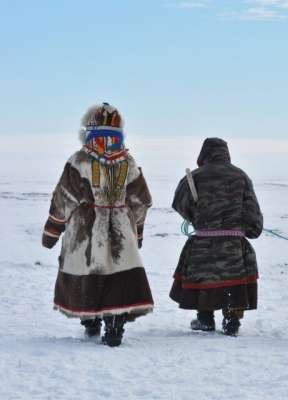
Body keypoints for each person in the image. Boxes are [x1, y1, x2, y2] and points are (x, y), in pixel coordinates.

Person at [42, 103, 154, 347]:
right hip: (121, 231)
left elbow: (63, 199)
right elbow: (141, 202)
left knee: (87, 273)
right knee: (118, 278)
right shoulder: (128, 162)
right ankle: (115, 327)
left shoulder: (79, 160)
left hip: (84, 233)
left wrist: (51, 232)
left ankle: (91, 322)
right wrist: (137, 233)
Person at [170, 138, 263, 336]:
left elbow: (179, 203)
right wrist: (250, 229)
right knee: (234, 280)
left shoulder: (193, 178)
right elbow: (252, 215)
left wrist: (197, 218)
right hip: (233, 247)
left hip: (202, 244)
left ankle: (204, 319)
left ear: (203, 155)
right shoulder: (241, 177)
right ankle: (232, 322)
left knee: (204, 277)